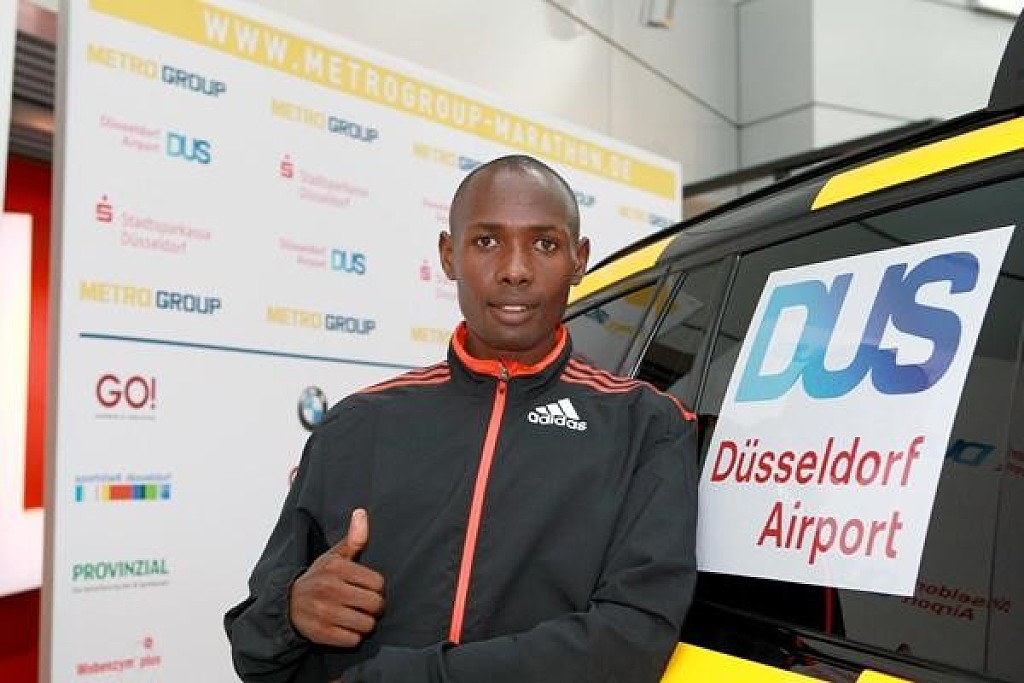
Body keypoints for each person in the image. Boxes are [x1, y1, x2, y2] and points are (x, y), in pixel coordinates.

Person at [224, 154, 699, 682]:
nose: (515, 270)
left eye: (545, 244)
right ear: (448, 255)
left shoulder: (646, 426)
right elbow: (252, 647)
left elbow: (631, 641)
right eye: (487, 241)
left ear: (578, 259)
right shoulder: (355, 425)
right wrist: (291, 613)